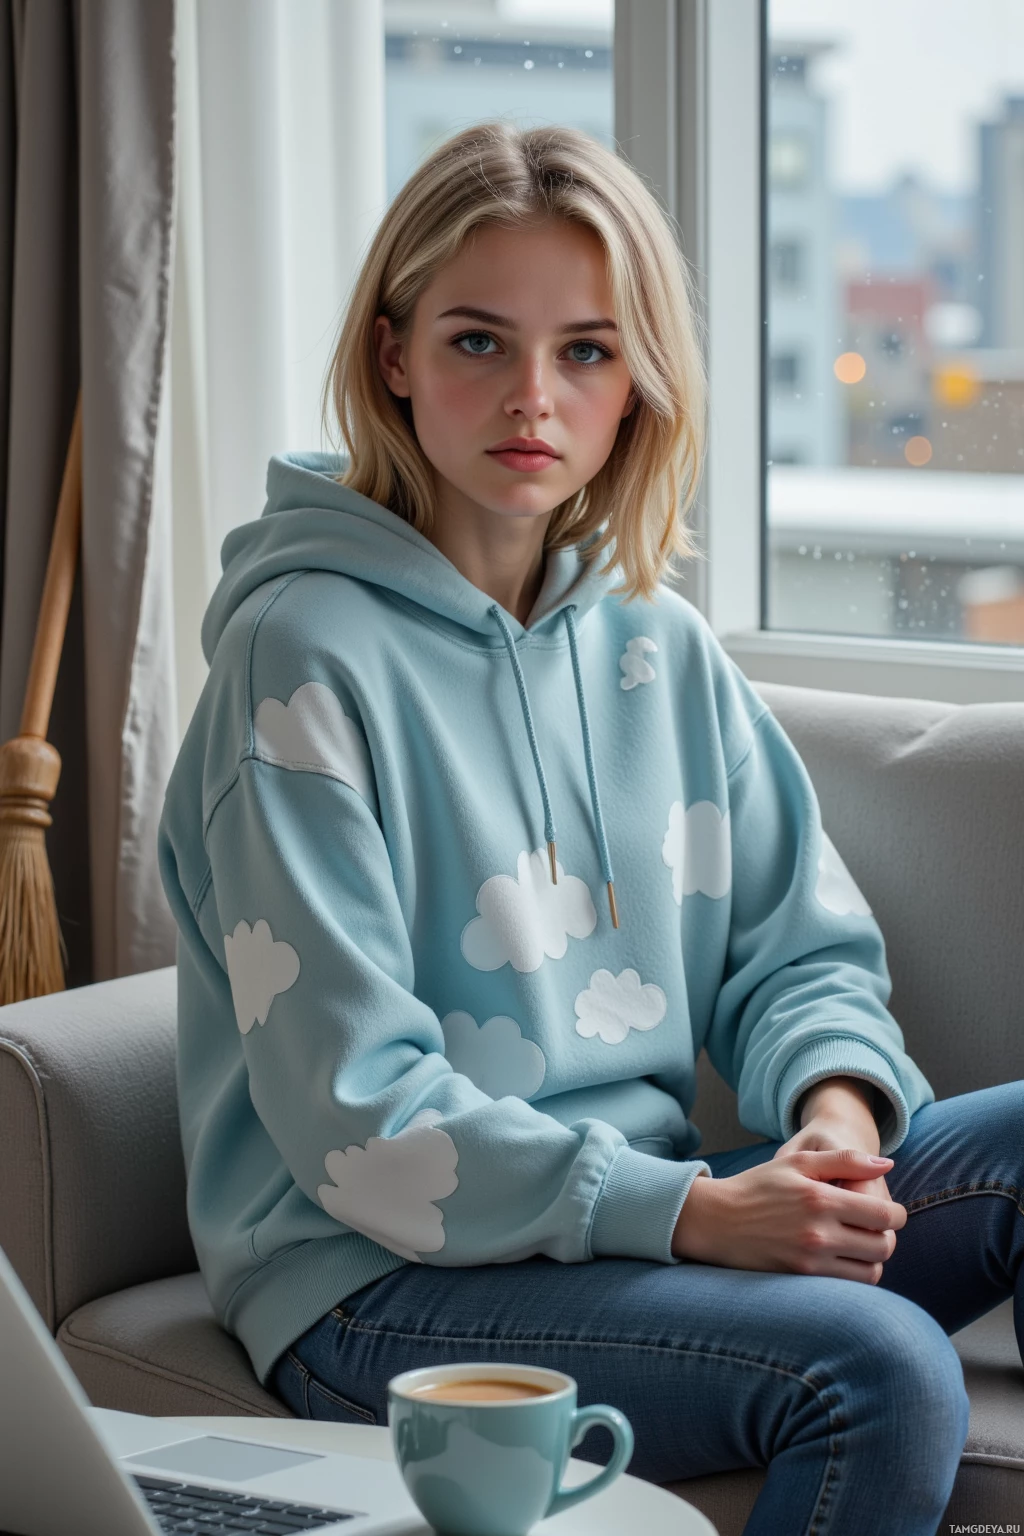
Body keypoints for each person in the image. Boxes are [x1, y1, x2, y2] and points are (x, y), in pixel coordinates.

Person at [158, 122, 1022, 1536]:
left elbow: (797, 953)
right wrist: (695, 1217)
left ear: (637, 382)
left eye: (587, 352)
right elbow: (357, 1111)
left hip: (634, 1219)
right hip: (374, 1275)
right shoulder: (298, 656)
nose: (534, 400)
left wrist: (836, 1125)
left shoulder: (654, 644)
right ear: (393, 355)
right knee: (886, 1373)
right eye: (480, 342)